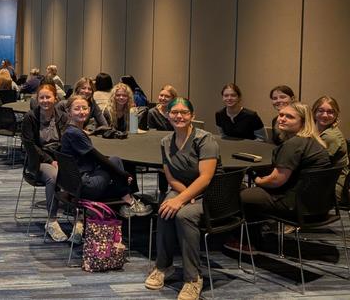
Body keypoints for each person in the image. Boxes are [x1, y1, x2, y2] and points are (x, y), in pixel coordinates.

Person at [145, 97, 220, 300]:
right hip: (183, 189)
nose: (179, 116)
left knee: (183, 215)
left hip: (209, 193)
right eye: (175, 112)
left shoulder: (205, 139)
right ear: (168, 116)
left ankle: (193, 278)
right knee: (165, 208)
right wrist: (183, 195)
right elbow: (170, 176)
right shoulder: (165, 142)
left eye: (184, 112)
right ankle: (163, 266)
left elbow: (206, 177)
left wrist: (183, 199)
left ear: (192, 116)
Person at [231, 102, 330, 253]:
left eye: (289, 117)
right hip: (318, 205)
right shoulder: (313, 141)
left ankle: (246, 242)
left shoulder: (295, 144)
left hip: (296, 206)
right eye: (281, 115)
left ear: (303, 122)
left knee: (242, 195)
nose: (281, 119)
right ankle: (254, 238)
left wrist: (258, 180)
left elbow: (277, 181)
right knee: (254, 192)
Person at [56, 95, 152, 242]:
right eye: (77, 109)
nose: (82, 111)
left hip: (74, 185)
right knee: (114, 161)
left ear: (89, 110)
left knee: (113, 165)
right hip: (85, 186)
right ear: (69, 112)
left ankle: (127, 201)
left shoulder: (70, 130)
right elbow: (97, 157)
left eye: (84, 108)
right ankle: (130, 202)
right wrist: (123, 174)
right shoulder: (74, 133)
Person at [21, 82, 68, 241]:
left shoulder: (62, 116)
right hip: (38, 160)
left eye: (48, 97)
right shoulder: (30, 117)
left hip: (60, 157)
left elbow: (67, 142)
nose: (45, 100)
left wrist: (60, 159)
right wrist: (50, 160)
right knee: (53, 176)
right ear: (37, 98)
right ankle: (52, 220)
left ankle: (81, 220)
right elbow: (29, 144)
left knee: (80, 170)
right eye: (42, 97)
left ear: (55, 98)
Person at [311, 96, 348, 203]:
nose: (325, 115)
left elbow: (316, 164)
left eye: (330, 112)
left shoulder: (330, 136)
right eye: (320, 111)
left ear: (336, 114)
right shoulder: (315, 130)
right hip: (320, 181)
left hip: (331, 189)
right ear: (314, 112)